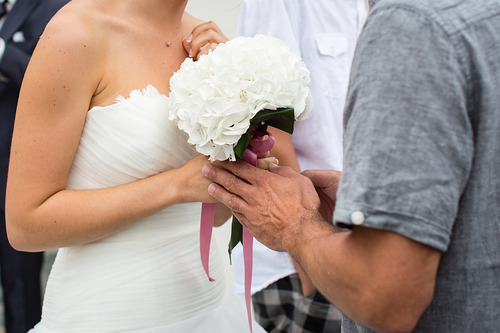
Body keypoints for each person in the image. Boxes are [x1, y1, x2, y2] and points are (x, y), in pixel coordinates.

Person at [202, 0, 500, 331]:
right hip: (328, 254)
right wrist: (362, 203)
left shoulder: (413, 26)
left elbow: (384, 295)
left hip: (343, 258)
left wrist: (296, 226)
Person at [5, 1, 272, 332]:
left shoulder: (206, 40)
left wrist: (240, 165)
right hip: (109, 314)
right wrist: (176, 186)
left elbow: (214, 216)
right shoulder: (75, 34)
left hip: (208, 309)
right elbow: (25, 226)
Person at [231, 0, 368, 332]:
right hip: (299, 263)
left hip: (353, 249)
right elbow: (270, 128)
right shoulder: (281, 4)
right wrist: (309, 269)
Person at [0, 0, 68, 332]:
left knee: (19, 284)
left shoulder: (57, 8)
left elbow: (56, 80)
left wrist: (2, 54)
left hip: (12, 172)